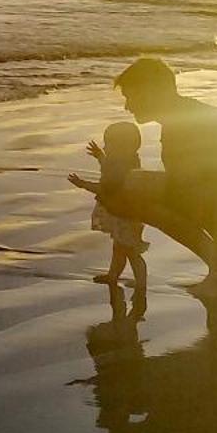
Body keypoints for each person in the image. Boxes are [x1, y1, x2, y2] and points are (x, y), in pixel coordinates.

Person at [68, 57, 217, 293]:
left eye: (130, 96)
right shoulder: (184, 119)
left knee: (140, 187)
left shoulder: (189, 124)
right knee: (133, 188)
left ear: (152, 91)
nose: (127, 106)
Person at [84, 120, 149, 304]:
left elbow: (108, 185)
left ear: (124, 147)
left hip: (127, 215)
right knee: (119, 248)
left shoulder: (126, 167)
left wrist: (84, 184)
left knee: (130, 251)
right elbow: (109, 169)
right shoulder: (125, 161)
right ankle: (113, 275)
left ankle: (142, 284)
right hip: (124, 214)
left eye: (109, 144)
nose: (106, 147)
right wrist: (101, 157)